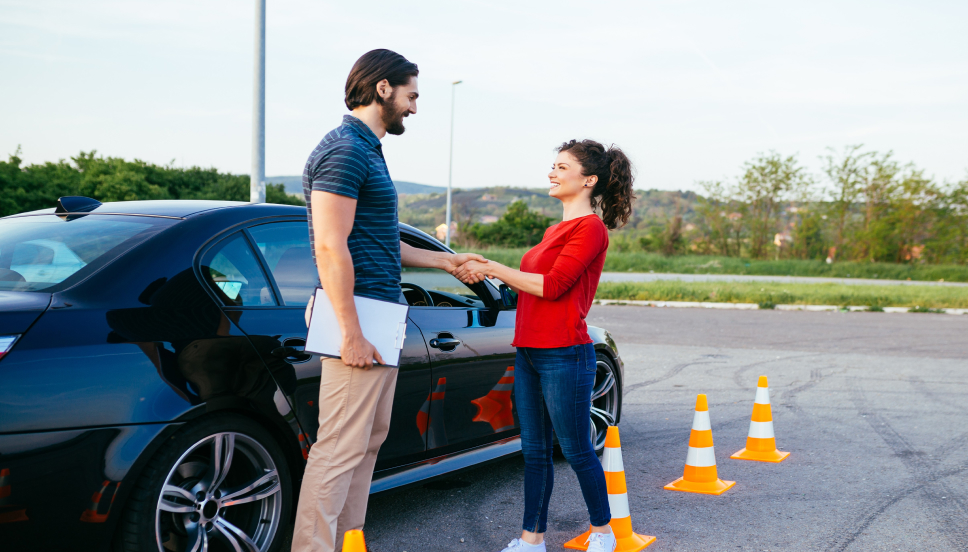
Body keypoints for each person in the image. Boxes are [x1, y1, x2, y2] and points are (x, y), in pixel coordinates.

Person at [292, 49, 486, 552]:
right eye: (412, 95)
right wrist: (351, 332)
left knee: (368, 441)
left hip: (381, 313)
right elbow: (330, 246)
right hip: (359, 315)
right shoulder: (345, 150)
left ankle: (347, 542)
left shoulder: (368, 149)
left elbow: (379, 243)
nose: (415, 108)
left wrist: (445, 262)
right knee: (337, 449)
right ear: (383, 88)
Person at [455, 139, 635, 552]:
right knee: (534, 451)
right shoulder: (554, 229)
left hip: (564, 353)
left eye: (561, 167)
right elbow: (531, 290)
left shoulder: (589, 229)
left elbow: (553, 287)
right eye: (552, 166)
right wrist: (486, 276)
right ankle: (531, 539)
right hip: (530, 348)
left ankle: (603, 533)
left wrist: (493, 266)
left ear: (588, 180)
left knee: (574, 449)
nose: (551, 173)